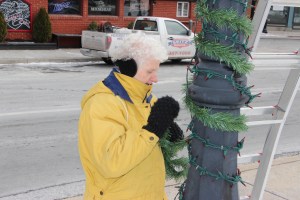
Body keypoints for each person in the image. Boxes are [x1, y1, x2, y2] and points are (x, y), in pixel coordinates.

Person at [78, 32, 183, 200]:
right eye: (149, 71)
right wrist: (152, 131)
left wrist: (168, 134)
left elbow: (146, 148)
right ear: (129, 68)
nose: (155, 78)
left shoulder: (146, 98)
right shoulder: (102, 104)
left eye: (156, 70)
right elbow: (112, 162)